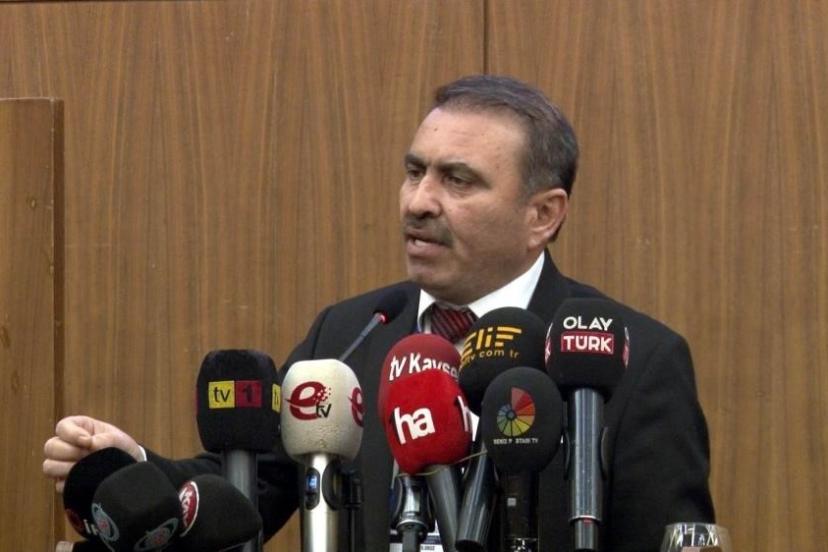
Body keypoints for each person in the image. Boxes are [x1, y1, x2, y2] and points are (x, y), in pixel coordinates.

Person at [44, 75, 715, 551]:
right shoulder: (348, 334)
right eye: (414, 171)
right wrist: (135, 464)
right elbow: (251, 491)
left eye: (458, 180)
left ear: (543, 214)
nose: (418, 202)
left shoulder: (633, 358)